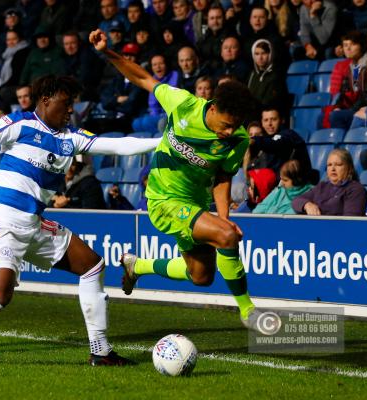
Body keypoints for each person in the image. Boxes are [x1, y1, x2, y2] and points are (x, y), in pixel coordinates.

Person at [0, 74, 160, 365]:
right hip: (4, 222)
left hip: (34, 224)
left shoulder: (70, 139)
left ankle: (100, 351)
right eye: (66, 103)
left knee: (92, 266)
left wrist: (162, 143)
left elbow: (120, 147)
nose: (71, 109)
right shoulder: (18, 124)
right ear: (46, 100)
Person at [89, 28, 265, 331]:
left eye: (234, 126)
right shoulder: (183, 104)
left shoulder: (237, 140)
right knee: (227, 237)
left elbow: (222, 176)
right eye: (225, 125)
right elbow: (143, 78)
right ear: (213, 107)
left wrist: (223, 217)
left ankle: (138, 265)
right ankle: (249, 310)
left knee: (201, 276)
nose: (228, 132)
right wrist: (108, 52)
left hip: (195, 203)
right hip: (162, 199)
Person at [292, 148, 367, 216]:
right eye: (329, 165)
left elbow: (349, 221)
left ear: (349, 168)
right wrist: (307, 205)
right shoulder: (322, 186)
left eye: (338, 165)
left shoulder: (356, 190)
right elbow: (296, 200)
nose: (333, 169)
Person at [247, 39, 288, 112]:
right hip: (251, 115)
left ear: (270, 54)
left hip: (266, 115)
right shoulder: (252, 74)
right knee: (241, 123)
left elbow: (271, 101)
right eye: (257, 54)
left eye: (263, 53)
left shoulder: (277, 75)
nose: (260, 57)